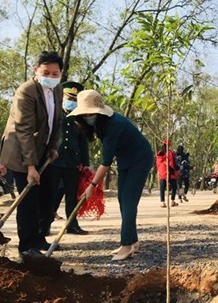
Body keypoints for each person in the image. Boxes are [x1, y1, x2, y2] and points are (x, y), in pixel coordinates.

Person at [68, 89, 153, 261]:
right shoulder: (100, 125)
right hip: (125, 160)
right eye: (85, 114)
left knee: (129, 201)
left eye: (91, 113)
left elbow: (106, 162)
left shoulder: (114, 125)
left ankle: (127, 245)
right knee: (123, 199)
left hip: (140, 159)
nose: (87, 117)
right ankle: (133, 240)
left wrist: (92, 186)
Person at [0, 51, 63, 257]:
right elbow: (24, 130)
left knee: (47, 196)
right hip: (20, 152)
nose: (51, 77)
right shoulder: (26, 91)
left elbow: (56, 122)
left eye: (55, 73)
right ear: (36, 70)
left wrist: (53, 146)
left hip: (43, 150)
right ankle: (27, 246)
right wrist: (30, 166)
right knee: (29, 199)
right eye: (46, 72)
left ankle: (38, 237)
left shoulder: (57, 90)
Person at [45, 81, 90, 236]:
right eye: (69, 98)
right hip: (54, 161)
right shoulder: (55, 112)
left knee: (72, 196)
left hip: (73, 163)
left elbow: (83, 142)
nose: (71, 101)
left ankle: (72, 224)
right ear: (62, 96)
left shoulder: (80, 117)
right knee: (52, 194)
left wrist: (85, 163)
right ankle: (45, 224)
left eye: (74, 99)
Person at [156, 140, 179, 208]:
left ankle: (162, 202)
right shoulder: (170, 153)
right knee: (174, 187)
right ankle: (172, 201)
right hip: (169, 172)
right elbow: (172, 163)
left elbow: (157, 164)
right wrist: (177, 169)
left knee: (162, 188)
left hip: (162, 172)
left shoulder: (159, 154)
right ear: (168, 146)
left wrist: (159, 171)